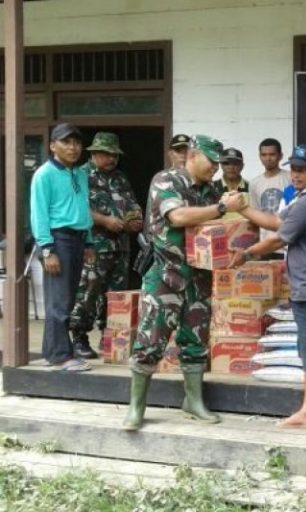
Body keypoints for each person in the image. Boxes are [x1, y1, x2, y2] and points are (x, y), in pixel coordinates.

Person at [123, 135, 245, 430]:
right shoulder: (167, 180)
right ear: (192, 156)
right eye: (211, 162)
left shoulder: (211, 189)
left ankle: (193, 402)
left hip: (199, 277)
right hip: (166, 276)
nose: (216, 168)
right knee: (150, 342)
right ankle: (136, 408)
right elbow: (177, 217)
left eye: (219, 164)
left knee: (196, 342)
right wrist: (220, 208)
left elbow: (217, 228)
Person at [232, 144, 306, 444]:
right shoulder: (302, 199)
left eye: (303, 169)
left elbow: (276, 240)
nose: (295, 174)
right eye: (293, 169)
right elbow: (277, 222)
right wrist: (242, 208)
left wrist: (245, 254)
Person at [69, 132, 143, 359]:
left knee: (116, 295)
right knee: (88, 293)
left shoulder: (120, 178)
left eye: (115, 155)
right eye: (107, 154)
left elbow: (132, 205)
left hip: (120, 246)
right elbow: (75, 209)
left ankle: (109, 337)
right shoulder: (79, 175)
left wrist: (135, 220)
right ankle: (79, 338)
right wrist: (104, 221)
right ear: (94, 153)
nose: (112, 159)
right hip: (94, 246)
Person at [30, 123, 95, 371]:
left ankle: (53, 352)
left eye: (77, 142)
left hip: (77, 239)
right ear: (52, 146)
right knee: (59, 301)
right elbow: (39, 215)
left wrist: (88, 241)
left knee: (67, 300)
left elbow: (83, 209)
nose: (73, 147)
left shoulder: (79, 173)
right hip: (58, 240)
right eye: (66, 142)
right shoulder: (44, 174)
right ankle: (61, 356)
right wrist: (47, 249)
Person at [249, 138, 291, 259]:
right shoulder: (254, 183)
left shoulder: (290, 179)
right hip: (265, 246)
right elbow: (255, 215)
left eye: (272, 154)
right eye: (264, 155)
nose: (268, 158)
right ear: (259, 156)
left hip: (287, 245)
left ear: (280, 156)